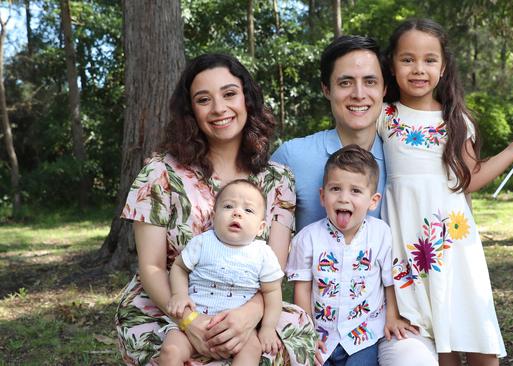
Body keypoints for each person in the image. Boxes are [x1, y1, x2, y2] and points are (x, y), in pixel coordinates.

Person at [115, 53, 316, 366]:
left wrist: (247, 317)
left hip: (248, 303)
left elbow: (272, 272)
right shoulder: (160, 174)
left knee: (290, 332)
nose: (219, 108)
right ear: (190, 111)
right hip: (170, 305)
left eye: (229, 94)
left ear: (247, 100)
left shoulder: (279, 179)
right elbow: (152, 268)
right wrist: (189, 322)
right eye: (203, 99)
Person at [377, 19, 513, 366]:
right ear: (392, 65)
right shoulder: (384, 116)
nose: (418, 69)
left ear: (443, 68)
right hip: (410, 243)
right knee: (437, 342)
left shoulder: (456, 119)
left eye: (429, 60)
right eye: (407, 59)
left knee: (474, 333)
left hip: (455, 243)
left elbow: (470, 178)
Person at [286, 145, 415, 366]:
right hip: (321, 336)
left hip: (363, 334)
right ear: (322, 195)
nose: (344, 198)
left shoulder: (380, 233)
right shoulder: (308, 238)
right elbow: (303, 288)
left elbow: (389, 280)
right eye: (335, 188)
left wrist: (393, 317)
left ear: (373, 201)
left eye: (355, 191)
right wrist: (307, 331)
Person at [160, 179, 284, 365]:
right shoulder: (202, 243)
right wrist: (179, 295)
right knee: (171, 351)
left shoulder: (263, 253)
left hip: (240, 330)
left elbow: (272, 291)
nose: (237, 213)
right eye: (228, 206)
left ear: (261, 228)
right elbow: (179, 268)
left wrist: (267, 327)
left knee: (253, 348)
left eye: (248, 210)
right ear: (214, 215)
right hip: (194, 320)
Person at [271, 35, 388, 232]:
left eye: (370, 82)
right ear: (326, 89)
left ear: (384, 89)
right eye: (345, 83)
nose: (359, 94)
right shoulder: (291, 158)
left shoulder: (402, 159)